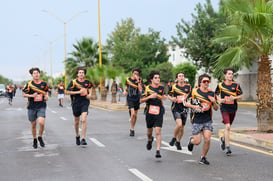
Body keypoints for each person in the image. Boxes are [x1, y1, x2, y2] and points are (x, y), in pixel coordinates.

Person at [185, 74, 218, 165]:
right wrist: (194, 106)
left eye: (208, 81)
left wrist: (214, 101)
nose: (206, 83)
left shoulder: (211, 93)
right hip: (196, 119)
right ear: (200, 82)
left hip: (207, 120)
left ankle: (203, 157)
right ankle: (191, 141)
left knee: (207, 139)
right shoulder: (194, 91)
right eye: (204, 81)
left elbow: (216, 108)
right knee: (197, 141)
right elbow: (185, 103)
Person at [215, 67, 243, 155]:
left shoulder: (236, 85)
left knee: (228, 126)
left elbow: (240, 96)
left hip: (233, 108)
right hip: (224, 108)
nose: (231, 75)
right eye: (229, 74)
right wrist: (220, 99)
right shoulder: (220, 85)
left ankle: (223, 139)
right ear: (225, 75)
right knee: (227, 127)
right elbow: (216, 94)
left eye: (232, 74)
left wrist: (233, 98)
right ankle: (228, 148)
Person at [140, 70, 166, 158]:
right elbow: (141, 100)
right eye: (156, 78)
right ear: (151, 79)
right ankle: (150, 139)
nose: (158, 79)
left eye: (158, 78)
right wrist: (150, 97)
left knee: (158, 131)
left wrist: (161, 96)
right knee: (149, 132)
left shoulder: (162, 88)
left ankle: (158, 150)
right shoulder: (147, 88)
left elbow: (164, 97)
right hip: (149, 111)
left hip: (159, 111)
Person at [23, 67, 49, 149]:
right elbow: (24, 94)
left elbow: (46, 92)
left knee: (41, 122)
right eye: (34, 73)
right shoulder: (29, 84)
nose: (36, 74)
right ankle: (34, 139)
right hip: (32, 106)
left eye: (37, 73)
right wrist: (31, 95)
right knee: (33, 124)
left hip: (41, 105)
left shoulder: (44, 84)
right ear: (32, 75)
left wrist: (46, 96)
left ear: (39, 74)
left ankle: (40, 137)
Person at [66, 67, 92, 146]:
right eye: (80, 72)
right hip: (76, 102)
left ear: (84, 74)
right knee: (77, 121)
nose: (81, 74)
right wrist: (79, 92)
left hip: (85, 102)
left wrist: (90, 94)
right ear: (77, 74)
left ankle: (83, 138)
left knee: (83, 120)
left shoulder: (87, 82)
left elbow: (90, 88)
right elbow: (67, 92)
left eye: (82, 72)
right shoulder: (73, 82)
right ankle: (77, 135)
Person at [168, 72, 192, 150]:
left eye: (182, 76)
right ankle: (174, 138)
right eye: (179, 76)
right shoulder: (173, 87)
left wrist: (189, 100)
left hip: (184, 108)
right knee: (179, 124)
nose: (181, 77)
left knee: (182, 128)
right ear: (177, 78)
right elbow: (168, 95)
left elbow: (191, 96)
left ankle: (178, 142)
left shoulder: (188, 87)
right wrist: (172, 99)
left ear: (184, 78)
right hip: (176, 108)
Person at [123, 68, 143, 137]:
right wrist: (125, 91)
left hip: (137, 98)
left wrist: (137, 81)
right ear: (132, 73)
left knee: (135, 115)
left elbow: (140, 89)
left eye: (137, 74)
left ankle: (133, 128)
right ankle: (131, 129)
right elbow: (127, 86)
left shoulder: (140, 80)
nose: (135, 75)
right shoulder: (128, 79)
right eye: (134, 73)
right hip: (130, 97)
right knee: (133, 113)